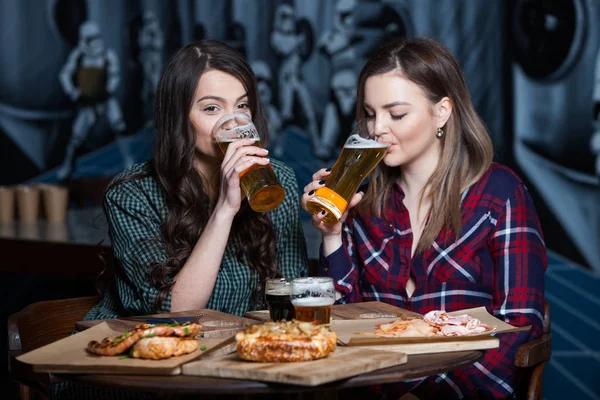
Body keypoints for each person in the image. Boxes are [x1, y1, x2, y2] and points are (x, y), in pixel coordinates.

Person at [302, 37, 547, 399]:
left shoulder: (500, 194)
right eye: (370, 114)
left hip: (466, 390)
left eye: (396, 114)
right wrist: (333, 235)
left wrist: (426, 395)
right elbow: (338, 323)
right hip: (373, 389)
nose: (377, 129)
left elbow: (518, 325)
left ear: (442, 112)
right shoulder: (364, 204)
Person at [84, 39, 308, 322]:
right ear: (179, 118)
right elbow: (174, 312)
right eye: (212, 109)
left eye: (242, 105)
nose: (235, 124)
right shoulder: (132, 193)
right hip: (146, 350)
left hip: (232, 352)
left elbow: (289, 295)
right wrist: (225, 210)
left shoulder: (278, 180)